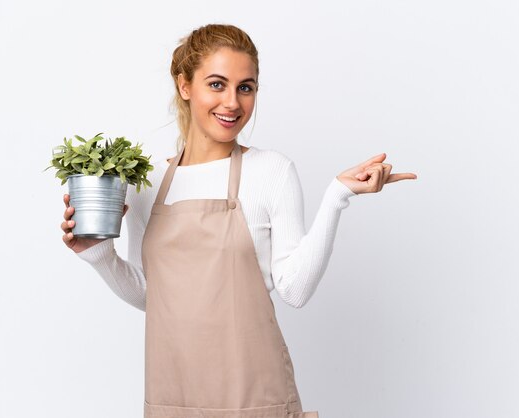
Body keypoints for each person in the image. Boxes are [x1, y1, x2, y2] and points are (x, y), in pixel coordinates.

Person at [59, 23, 416, 418]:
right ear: (184, 86)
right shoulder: (149, 184)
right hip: (172, 400)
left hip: (255, 400)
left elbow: (295, 291)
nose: (232, 102)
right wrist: (100, 255)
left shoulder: (271, 171)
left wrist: (337, 196)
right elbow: (152, 295)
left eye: (245, 87)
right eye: (217, 84)